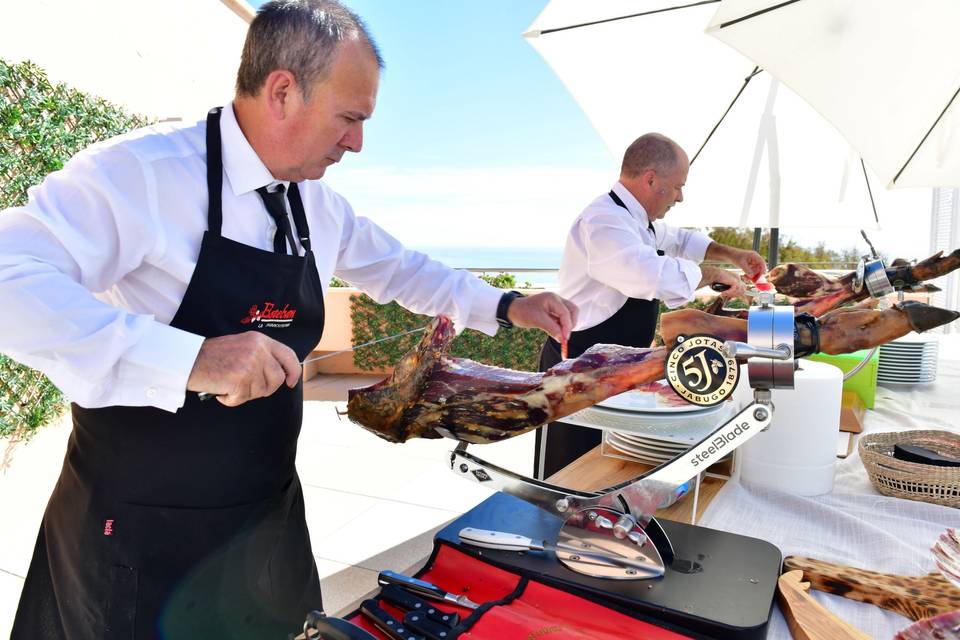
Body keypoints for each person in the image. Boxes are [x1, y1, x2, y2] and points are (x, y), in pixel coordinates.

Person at [0, 2, 577, 638]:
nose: (358, 140)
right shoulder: (142, 174)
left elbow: (401, 269)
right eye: (350, 117)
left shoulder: (316, 206)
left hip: (264, 520)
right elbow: (10, 278)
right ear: (282, 92)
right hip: (138, 531)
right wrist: (188, 358)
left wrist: (504, 304)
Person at [533, 133, 766, 480]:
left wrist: (732, 255)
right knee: (571, 476)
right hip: (577, 371)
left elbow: (681, 239)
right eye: (677, 187)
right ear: (651, 178)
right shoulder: (603, 220)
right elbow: (646, 273)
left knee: (611, 468)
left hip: (615, 368)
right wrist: (713, 274)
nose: (681, 197)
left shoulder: (639, 221)